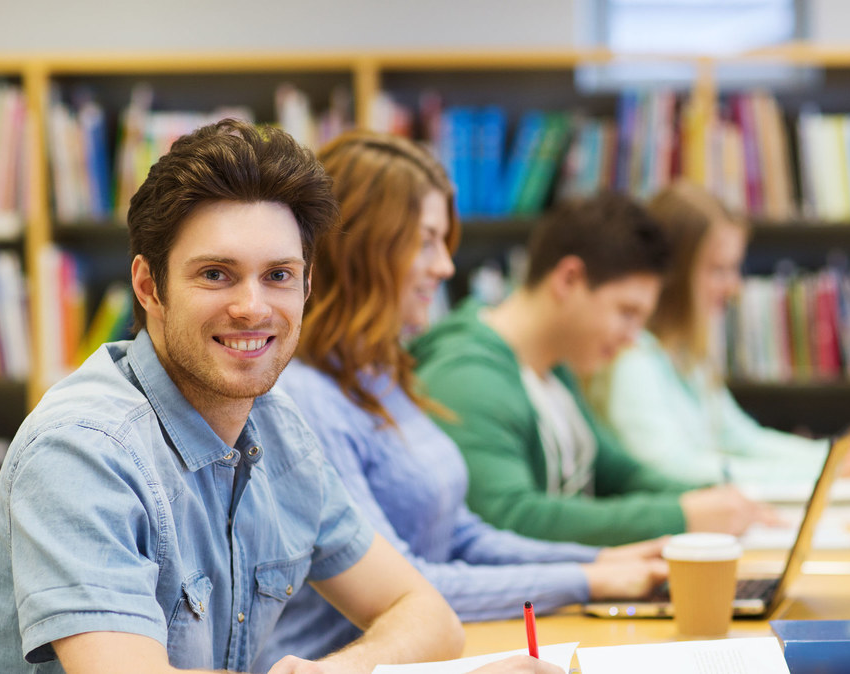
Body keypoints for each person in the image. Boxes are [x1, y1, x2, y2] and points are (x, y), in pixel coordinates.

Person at [0, 120, 477, 674]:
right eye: (216, 274)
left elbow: (427, 615)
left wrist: (339, 670)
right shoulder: (83, 449)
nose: (253, 307)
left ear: (307, 286)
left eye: (277, 274)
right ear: (149, 287)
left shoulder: (278, 430)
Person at [255, 133, 670, 669]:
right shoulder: (306, 398)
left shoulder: (380, 374)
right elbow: (407, 583)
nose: (446, 267)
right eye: (426, 241)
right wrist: (586, 579)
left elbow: (462, 536)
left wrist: (601, 560)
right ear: (367, 246)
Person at [410, 192, 776, 547]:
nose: (632, 338)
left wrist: (713, 500)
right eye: (626, 313)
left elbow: (619, 473)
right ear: (569, 279)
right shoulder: (469, 376)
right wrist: (681, 516)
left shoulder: (552, 369)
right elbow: (509, 518)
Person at [588, 180, 850, 489]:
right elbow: (673, 469)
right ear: (673, 275)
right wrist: (823, 474)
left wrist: (833, 458)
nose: (734, 288)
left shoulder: (685, 357)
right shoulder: (632, 360)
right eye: (718, 270)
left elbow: (744, 439)